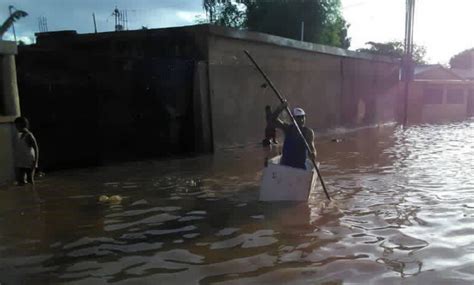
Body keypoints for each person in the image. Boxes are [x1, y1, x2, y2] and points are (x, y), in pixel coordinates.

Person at [271, 101, 316, 170]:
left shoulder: (308, 132)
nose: (301, 120)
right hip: (285, 166)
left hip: (300, 168)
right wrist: (280, 108)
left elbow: (312, 149)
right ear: (293, 119)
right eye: (298, 117)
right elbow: (272, 120)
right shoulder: (287, 128)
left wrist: (313, 154)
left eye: (303, 117)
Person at [13, 117, 39, 185]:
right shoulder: (19, 135)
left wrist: (35, 162)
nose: (16, 127)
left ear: (21, 125)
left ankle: (33, 193)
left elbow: (36, 148)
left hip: (29, 162)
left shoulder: (29, 135)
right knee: (20, 181)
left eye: (17, 126)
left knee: (30, 180)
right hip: (21, 162)